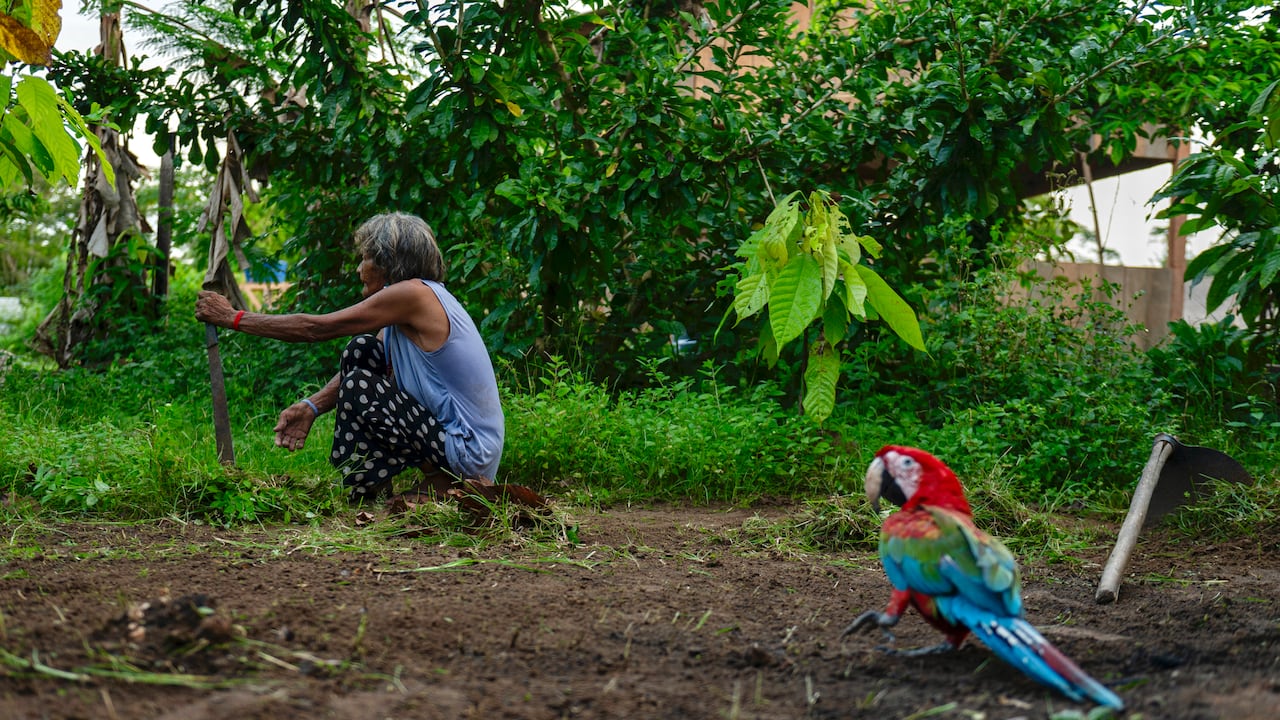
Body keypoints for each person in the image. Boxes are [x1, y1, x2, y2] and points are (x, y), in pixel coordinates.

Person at [195, 212, 504, 504]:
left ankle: (440, 482)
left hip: (467, 451)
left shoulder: (414, 295)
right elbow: (359, 365)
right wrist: (312, 406)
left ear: (388, 262)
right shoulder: (410, 305)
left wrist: (232, 318)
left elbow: (315, 328)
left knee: (359, 383)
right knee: (363, 350)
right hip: (452, 444)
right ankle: (374, 487)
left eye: (365, 258)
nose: (359, 269)